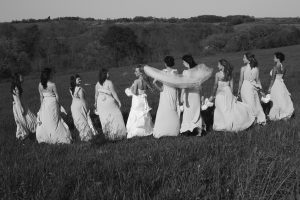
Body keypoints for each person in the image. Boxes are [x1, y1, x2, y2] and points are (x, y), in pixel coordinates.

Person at [209, 59, 255, 132]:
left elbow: (215, 86)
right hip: (228, 92)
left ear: (222, 66)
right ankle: (231, 123)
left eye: (218, 65)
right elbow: (232, 87)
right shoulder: (229, 74)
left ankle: (223, 124)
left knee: (221, 109)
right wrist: (232, 95)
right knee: (229, 108)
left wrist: (212, 95)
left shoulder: (217, 74)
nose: (217, 66)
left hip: (220, 93)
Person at [36, 68, 72, 144]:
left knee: (46, 120)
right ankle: (57, 136)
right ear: (48, 75)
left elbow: (41, 97)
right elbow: (57, 96)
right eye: (51, 74)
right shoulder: (52, 85)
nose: (52, 75)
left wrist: (41, 106)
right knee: (54, 120)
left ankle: (47, 136)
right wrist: (58, 105)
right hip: (52, 103)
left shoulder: (40, 85)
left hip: (45, 103)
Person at [95, 68, 127, 140]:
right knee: (116, 115)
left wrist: (95, 104)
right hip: (108, 101)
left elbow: (96, 95)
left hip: (100, 102)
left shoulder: (97, 84)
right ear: (105, 75)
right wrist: (119, 101)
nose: (109, 74)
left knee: (104, 117)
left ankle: (108, 135)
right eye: (107, 73)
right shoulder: (109, 82)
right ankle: (119, 134)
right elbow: (114, 93)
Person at [152, 56, 180, 138]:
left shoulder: (162, 72)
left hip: (164, 92)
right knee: (173, 108)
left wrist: (156, 85)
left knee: (163, 110)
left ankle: (162, 129)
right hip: (173, 92)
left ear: (165, 63)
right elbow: (177, 84)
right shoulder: (175, 72)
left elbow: (156, 84)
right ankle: (173, 129)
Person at [238, 52, 266, 125]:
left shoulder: (243, 68)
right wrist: (261, 90)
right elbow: (258, 80)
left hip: (246, 87)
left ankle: (252, 120)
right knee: (254, 103)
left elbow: (241, 80)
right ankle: (256, 120)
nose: (242, 59)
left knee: (251, 104)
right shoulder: (256, 68)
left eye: (244, 57)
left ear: (249, 60)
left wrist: (238, 90)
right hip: (252, 87)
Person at [126, 65, 154, 138]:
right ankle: (146, 130)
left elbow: (135, 92)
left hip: (137, 100)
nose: (134, 72)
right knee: (143, 113)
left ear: (140, 73)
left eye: (136, 71)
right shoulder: (146, 81)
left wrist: (129, 90)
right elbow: (151, 89)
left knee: (135, 113)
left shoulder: (136, 81)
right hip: (143, 100)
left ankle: (136, 132)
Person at [180, 55, 204, 136]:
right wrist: (202, 95)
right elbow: (201, 85)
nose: (182, 63)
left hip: (189, 95)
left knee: (188, 112)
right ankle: (198, 130)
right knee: (196, 112)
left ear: (186, 62)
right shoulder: (198, 72)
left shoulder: (185, 72)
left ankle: (187, 129)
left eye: (183, 62)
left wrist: (181, 96)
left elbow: (184, 85)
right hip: (196, 94)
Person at [70, 74, 98, 141]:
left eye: (80, 79)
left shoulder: (71, 89)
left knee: (79, 121)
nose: (80, 80)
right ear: (74, 81)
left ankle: (83, 136)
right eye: (78, 79)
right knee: (88, 120)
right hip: (81, 107)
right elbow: (82, 100)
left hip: (73, 107)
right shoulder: (80, 89)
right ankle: (94, 134)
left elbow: (74, 98)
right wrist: (87, 110)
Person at [267, 52, 294, 120]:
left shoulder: (275, 67)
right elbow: (282, 78)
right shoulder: (284, 68)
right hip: (281, 84)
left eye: (274, 57)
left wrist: (269, 88)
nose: (273, 59)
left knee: (276, 100)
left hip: (275, 85)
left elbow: (272, 79)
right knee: (283, 99)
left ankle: (276, 115)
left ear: (278, 59)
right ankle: (285, 114)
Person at [11, 73, 37, 140]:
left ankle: (22, 134)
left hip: (17, 106)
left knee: (21, 121)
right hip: (19, 106)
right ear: (17, 79)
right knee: (27, 119)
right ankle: (26, 133)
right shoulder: (17, 87)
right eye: (21, 77)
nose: (22, 78)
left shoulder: (16, 86)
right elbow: (18, 99)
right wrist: (21, 108)